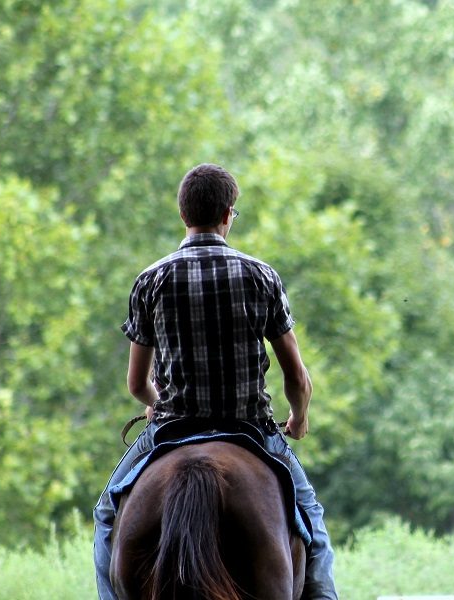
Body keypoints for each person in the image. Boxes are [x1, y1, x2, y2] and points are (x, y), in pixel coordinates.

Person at [92, 163, 338, 600]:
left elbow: (135, 383)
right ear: (228, 214)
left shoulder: (151, 280)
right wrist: (298, 418)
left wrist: (154, 404)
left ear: (183, 215)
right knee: (311, 524)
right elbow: (296, 375)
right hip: (250, 431)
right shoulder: (261, 276)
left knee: (108, 517)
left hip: (171, 429)